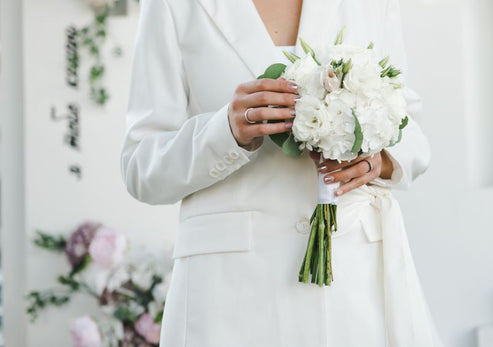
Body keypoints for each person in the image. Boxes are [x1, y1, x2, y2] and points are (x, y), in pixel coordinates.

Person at [120, 0, 444, 345]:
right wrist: (224, 132)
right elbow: (141, 167)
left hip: (355, 281)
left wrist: (380, 159)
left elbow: (410, 130)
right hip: (230, 294)